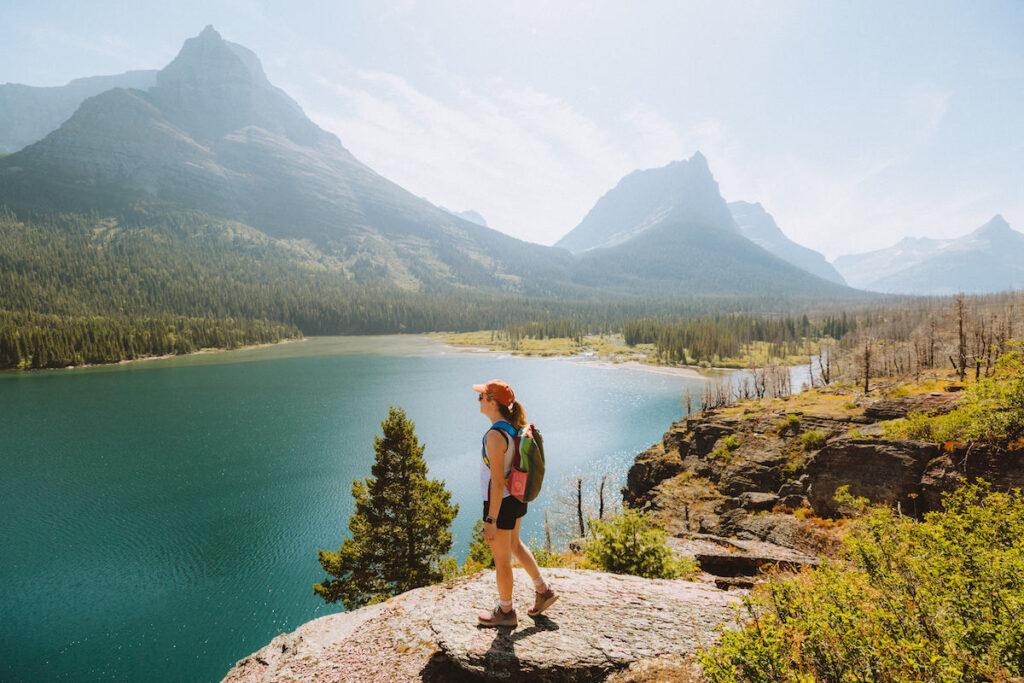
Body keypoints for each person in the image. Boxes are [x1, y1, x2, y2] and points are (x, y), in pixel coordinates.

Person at [473, 379, 558, 627]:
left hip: (501, 502)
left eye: (481, 397)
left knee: (501, 561)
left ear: (492, 403)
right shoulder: (512, 427)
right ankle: (543, 591)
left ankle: (506, 612)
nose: (478, 400)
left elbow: (498, 482)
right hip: (516, 498)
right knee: (515, 545)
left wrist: (490, 518)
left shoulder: (494, 436)